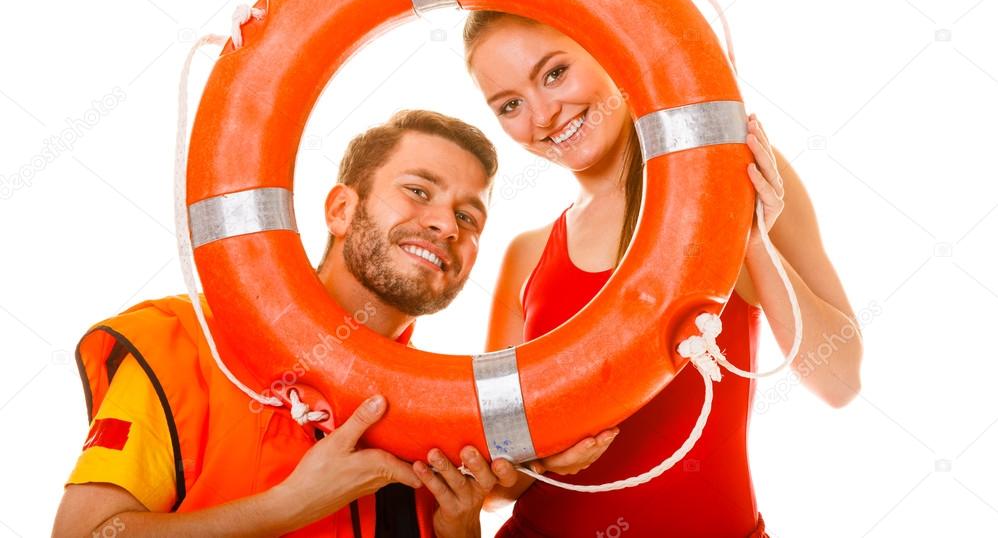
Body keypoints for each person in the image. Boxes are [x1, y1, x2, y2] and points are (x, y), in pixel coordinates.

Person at [52, 110, 611, 538]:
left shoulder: (438, 419)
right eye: (418, 191)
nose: (446, 224)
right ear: (341, 210)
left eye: (468, 216)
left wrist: (457, 532)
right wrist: (288, 507)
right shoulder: (187, 342)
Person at [463, 12, 865, 537]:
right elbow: (496, 487)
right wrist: (543, 461)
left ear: (609, 50)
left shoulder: (730, 174)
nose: (543, 114)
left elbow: (839, 383)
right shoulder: (527, 254)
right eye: (510, 105)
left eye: (555, 73)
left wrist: (749, 238)